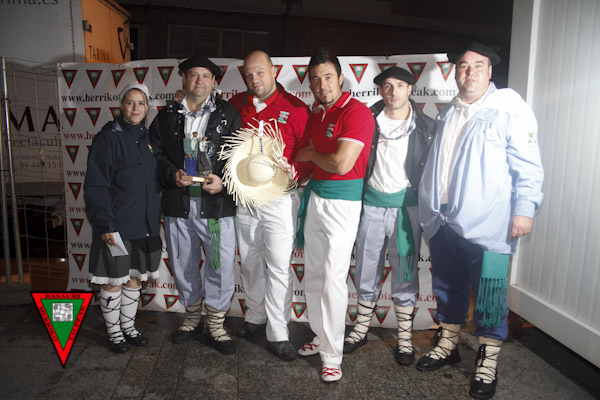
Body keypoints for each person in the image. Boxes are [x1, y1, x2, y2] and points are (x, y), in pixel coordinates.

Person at [417, 42, 544, 399]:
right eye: (463, 66)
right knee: (447, 286)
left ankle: (488, 359)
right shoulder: (448, 112)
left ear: (490, 71)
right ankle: (448, 342)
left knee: (488, 294)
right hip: (443, 219)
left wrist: (525, 209)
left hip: (490, 225)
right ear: (455, 73)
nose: (469, 72)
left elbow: (529, 166)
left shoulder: (508, 111)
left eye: (478, 65)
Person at [342, 67, 435, 366]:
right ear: (380, 91)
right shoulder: (367, 121)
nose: (393, 91)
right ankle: (361, 328)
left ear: (410, 89)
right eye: (387, 86)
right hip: (371, 205)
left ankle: (404, 337)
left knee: (405, 272)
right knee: (365, 269)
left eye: (400, 85)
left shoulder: (426, 126)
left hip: (407, 209)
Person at [149, 56, 241, 355]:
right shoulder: (168, 114)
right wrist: (171, 174)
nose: (199, 81)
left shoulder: (228, 113)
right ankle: (191, 317)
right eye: (193, 75)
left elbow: (240, 156)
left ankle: (216, 323)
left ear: (214, 81)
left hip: (215, 207)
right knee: (183, 263)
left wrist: (224, 181)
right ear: (184, 79)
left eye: (205, 76)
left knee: (219, 265)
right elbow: (155, 151)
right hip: (179, 205)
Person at [295, 48, 375, 382]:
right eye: (315, 79)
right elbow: (314, 162)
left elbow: (342, 164)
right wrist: (305, 162)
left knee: (333, 279)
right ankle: (320, 336)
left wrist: (311, 154)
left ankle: (332, 356)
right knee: (314, 274)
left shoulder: (357, 112)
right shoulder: (317, 114)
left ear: (341, 78)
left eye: (328, 77)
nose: (322, 85)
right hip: (316, 198)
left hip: (343, 204)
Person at [228, 50, 310, 361]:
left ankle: (279, 332)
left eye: (260, 72)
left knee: (277, 265)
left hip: (280, 199)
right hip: (246, 197)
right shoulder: (236, 104)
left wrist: (295, 173)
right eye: (249, 74)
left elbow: (308, 152)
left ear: (274, 71)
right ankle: (255, 316)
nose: (254, 79)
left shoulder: (296, 108)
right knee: (249, 262)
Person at [84, 83, 161, 353]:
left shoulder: (150, 139)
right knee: (112, 280)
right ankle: (114, 332)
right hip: (116, 225)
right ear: (121, 106)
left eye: (141, 103)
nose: (135, 108)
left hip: (145, 226)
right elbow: (96, 185)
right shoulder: (108, 137)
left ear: (147, 107)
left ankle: (128, 326)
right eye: (130, 102)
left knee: (134, 279)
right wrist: (105, 223)